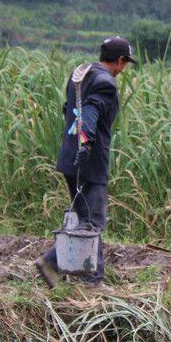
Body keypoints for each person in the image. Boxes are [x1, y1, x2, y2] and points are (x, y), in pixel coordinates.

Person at [35, 36, 136, 288]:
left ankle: (76, 271)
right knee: (94, 221)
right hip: (90, 161)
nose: (123, 70)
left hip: (71, 158)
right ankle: (82, 275)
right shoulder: (106, 83)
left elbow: (68, 108)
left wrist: (78, 142)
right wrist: (88, 141)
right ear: (120, 61)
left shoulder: (80, 73)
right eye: (125, 64)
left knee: (83, 219)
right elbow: (89, 112)